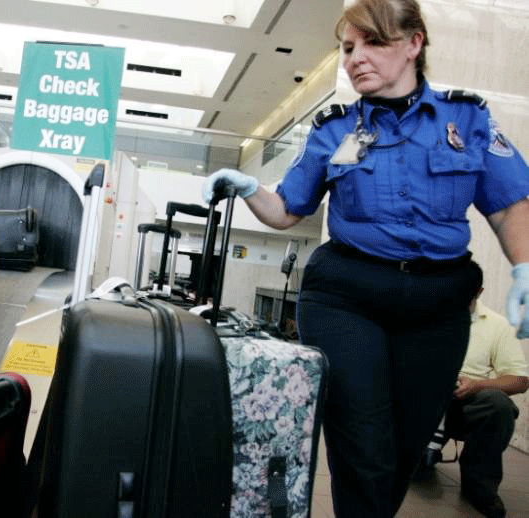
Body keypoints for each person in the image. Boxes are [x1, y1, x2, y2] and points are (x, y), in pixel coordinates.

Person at [201, 0, 529, 516]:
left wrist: (523, 268)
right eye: (348, 48)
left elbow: (509, 205)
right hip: (346, 296)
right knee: (362, 444)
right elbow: (288, 209)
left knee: (406, 446)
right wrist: (249, 189)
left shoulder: (468, 119)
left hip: (437, 305)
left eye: (372, 43)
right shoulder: (334, 128)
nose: (355, 58)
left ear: (413, 43)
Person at [417, 261, 528, 518]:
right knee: (412, 473)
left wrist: (477, 384)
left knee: (497, 404)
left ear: (478, 292)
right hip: (423, 403)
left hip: (465, 405)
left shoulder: (496, 326)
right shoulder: (422, 317)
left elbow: (520, 380)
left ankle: (480, 487)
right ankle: (416, 457)